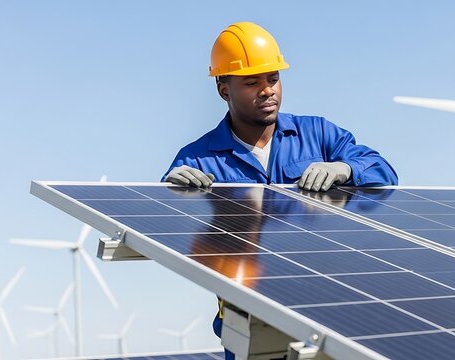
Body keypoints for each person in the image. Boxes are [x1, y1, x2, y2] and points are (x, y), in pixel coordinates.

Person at [161, 21, 398, 359]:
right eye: (252, 82)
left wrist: (345, 167)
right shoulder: (198, 159)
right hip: (250, 322)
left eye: (273, 79)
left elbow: (384, 174)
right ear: (224, 89)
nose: (267, 90)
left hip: (327, 311)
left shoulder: (318, 134)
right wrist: (171, 194)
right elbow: (165, 228)